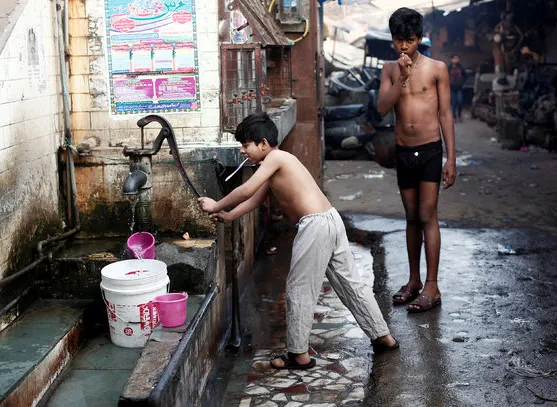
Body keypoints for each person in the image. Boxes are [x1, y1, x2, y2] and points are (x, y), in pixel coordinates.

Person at [198, 113, 398, 369]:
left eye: (245, 145)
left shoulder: (276, 158)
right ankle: (383, 337)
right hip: (329, 220)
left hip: (315, 224)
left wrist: (217, 203)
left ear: (262, 143)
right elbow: (255, 199)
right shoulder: (275, 165)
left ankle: (298, 355)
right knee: (350, 284)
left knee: (299, 289)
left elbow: (246, 189)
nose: (242, 150)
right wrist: (228, 215)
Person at [376, 8, 456, 313]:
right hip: (404, 152)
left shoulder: (438, 68)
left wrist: (451, 158)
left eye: (409, 40)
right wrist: (403, 77)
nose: (404, 47)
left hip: (431, 150)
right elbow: (382, 108)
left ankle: (432, 286)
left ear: (420, 38)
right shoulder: (389, 69)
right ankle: (414, 281)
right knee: (410, 216)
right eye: (399, 40)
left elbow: (446, 114)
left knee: (427, 214)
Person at [448, 54, 466, 122]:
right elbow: (445, 77)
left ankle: (459, 114)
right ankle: (454, 117)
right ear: (451, 59)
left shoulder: (460, 67)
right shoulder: (449, 68)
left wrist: (462, 83)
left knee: (460, 102)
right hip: (452, 88)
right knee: (453, 103)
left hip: (459, 88)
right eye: (454, 58)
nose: (456, 60)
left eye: (457, 58)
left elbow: (465, 76)